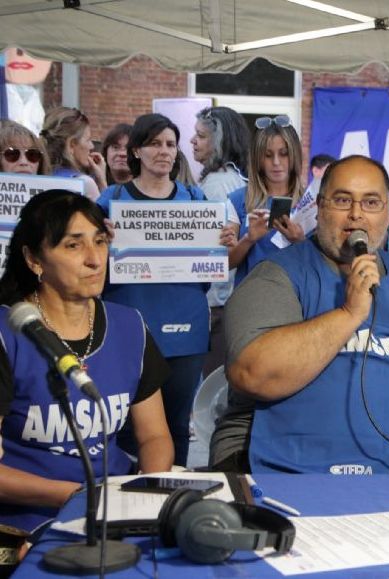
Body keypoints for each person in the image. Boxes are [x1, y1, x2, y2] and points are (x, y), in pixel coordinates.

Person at [224, 155, 389, 474]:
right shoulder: (276, 276)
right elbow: (253, 374)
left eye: (371, 202)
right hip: (299, 474)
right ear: (320, 208)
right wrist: (349, 313)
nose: (356, 215)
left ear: (388, 215)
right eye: (342, 200)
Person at [0, 190, 173, 533]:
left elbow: (155, 436)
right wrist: (80, 496)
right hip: (27, 521)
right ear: (34, 260)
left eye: (100, 241)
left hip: (114, 511)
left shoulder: (130, 326)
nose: (95, 259)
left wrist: (147, 491)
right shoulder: (7, 336)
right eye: (73, 245)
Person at [96, 113, 209, 467]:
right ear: (137, 151)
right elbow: (91, 266)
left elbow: (211, 271)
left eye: (171, 144)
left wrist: (221, 244)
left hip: (185, 330)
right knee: (126, 425)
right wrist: (102, 242)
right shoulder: (109, 200)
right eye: (155, 143)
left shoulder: (196, 200)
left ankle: (174, 496)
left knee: (176, 424)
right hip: (129, 328)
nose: (164, 151)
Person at [190, 106, 249, 378]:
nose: (192, 141)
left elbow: (219, 247)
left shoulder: (217, 183)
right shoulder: (235, 179)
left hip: (217, 302)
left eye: (200, 136)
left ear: (219, 141)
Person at [227, 115, 305, 286]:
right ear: (257, 159)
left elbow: (326, 261)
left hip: (297, 300)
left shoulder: (311, 201)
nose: (276, 162)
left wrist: (300, 242)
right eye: (268, 155)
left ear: (294, 155)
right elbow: (224, 263)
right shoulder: (237, 200)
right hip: (250, 301)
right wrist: (249, 239)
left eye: (284, 154)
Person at [40, 107, 106, 200]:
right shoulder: (85, 183)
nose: (92, 146)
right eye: (88, 140)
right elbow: (105, 213)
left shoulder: (37, 177)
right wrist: (102, 181)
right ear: (71, 145)